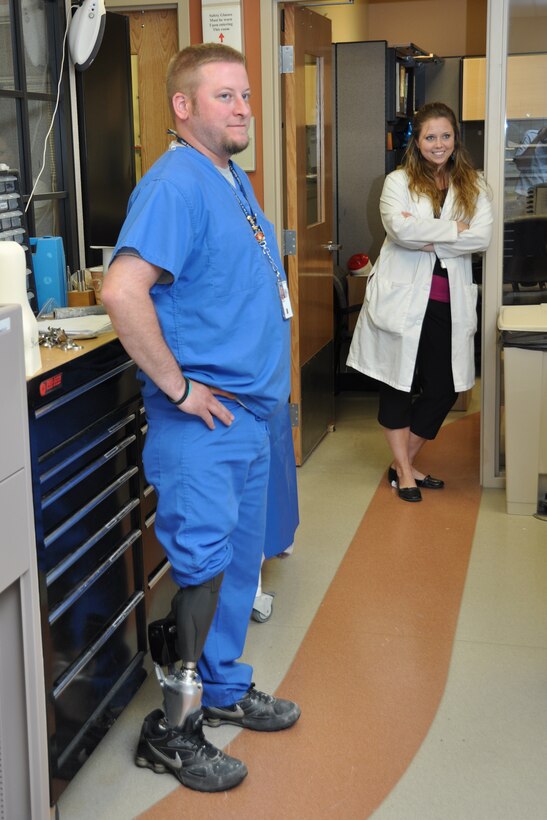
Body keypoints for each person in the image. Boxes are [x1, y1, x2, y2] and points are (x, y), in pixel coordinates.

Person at [101, 43, 300, 793]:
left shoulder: (229, 176)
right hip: (204, 425)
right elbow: (123, 291)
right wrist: (180, 390)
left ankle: (222, 688)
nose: (243, 107)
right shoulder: (176, 183)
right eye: (224, 96)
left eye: (245, 94)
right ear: (182, 107)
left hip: (249, 419)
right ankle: (172, 731)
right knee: (203, 572)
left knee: (238, 567)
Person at [347, 102, 493, 502]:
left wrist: (427, 235)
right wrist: (452, 230)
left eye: (446, 135)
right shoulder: (397, 182)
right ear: (417, 141)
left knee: (444, 389)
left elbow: (481, 238)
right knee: (397, 382)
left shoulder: (475, 184)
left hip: (449, 304)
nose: (439, 144)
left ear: (455, 138)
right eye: (430, 136)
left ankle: (401, 466)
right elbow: (399, 229)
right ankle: (407, 472)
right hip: (402, 301)